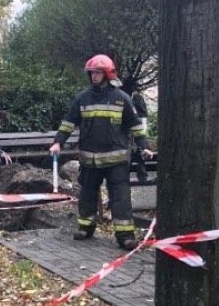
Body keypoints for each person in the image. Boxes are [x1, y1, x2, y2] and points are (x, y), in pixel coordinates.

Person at [49, 54, 154, 250]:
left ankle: (125, 237)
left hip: (117, 160)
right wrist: (58, 143)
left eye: (98, 72)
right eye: (92, 73)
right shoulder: (82, 98)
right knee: (87, 194)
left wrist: (144, 146)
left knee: (120, 198)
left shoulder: (121, 99)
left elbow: (136, 126)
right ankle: (85, 228)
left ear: (107, 74)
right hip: (90, 159)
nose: (94, 76)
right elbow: (68, 122)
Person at [131, 88, 149, 182]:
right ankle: (142, 175)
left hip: (138, 122)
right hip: (142, 122)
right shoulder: (140, 98)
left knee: (138, 145)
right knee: (141, 148)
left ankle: (141, 174)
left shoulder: (137, 98)